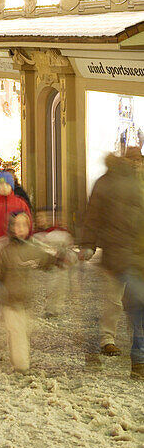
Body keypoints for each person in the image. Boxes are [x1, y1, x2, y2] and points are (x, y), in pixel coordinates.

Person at [79, 147, 144, 375]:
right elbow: (93, 215)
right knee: (113, 300)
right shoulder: (107, 182)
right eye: (134, 160)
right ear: (126, 160)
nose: (137, 164)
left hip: (137, 255)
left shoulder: (139, 183)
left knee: (137, 304)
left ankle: (137, 353)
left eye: (140, 160)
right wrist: (88, 244)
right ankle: (105, 340)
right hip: (115, 254)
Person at [0, 210, 64, 373]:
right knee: (18, 332)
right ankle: (21, 365)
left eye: (25, 225)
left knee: (22, 330)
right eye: (17, 225)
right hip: (8, 300)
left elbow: (45, 259)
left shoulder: (32, 248)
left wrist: (60, 260)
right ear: (11, 227)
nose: (21, 228)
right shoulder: (5, 251)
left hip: (25, 300)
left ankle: (17, 356)